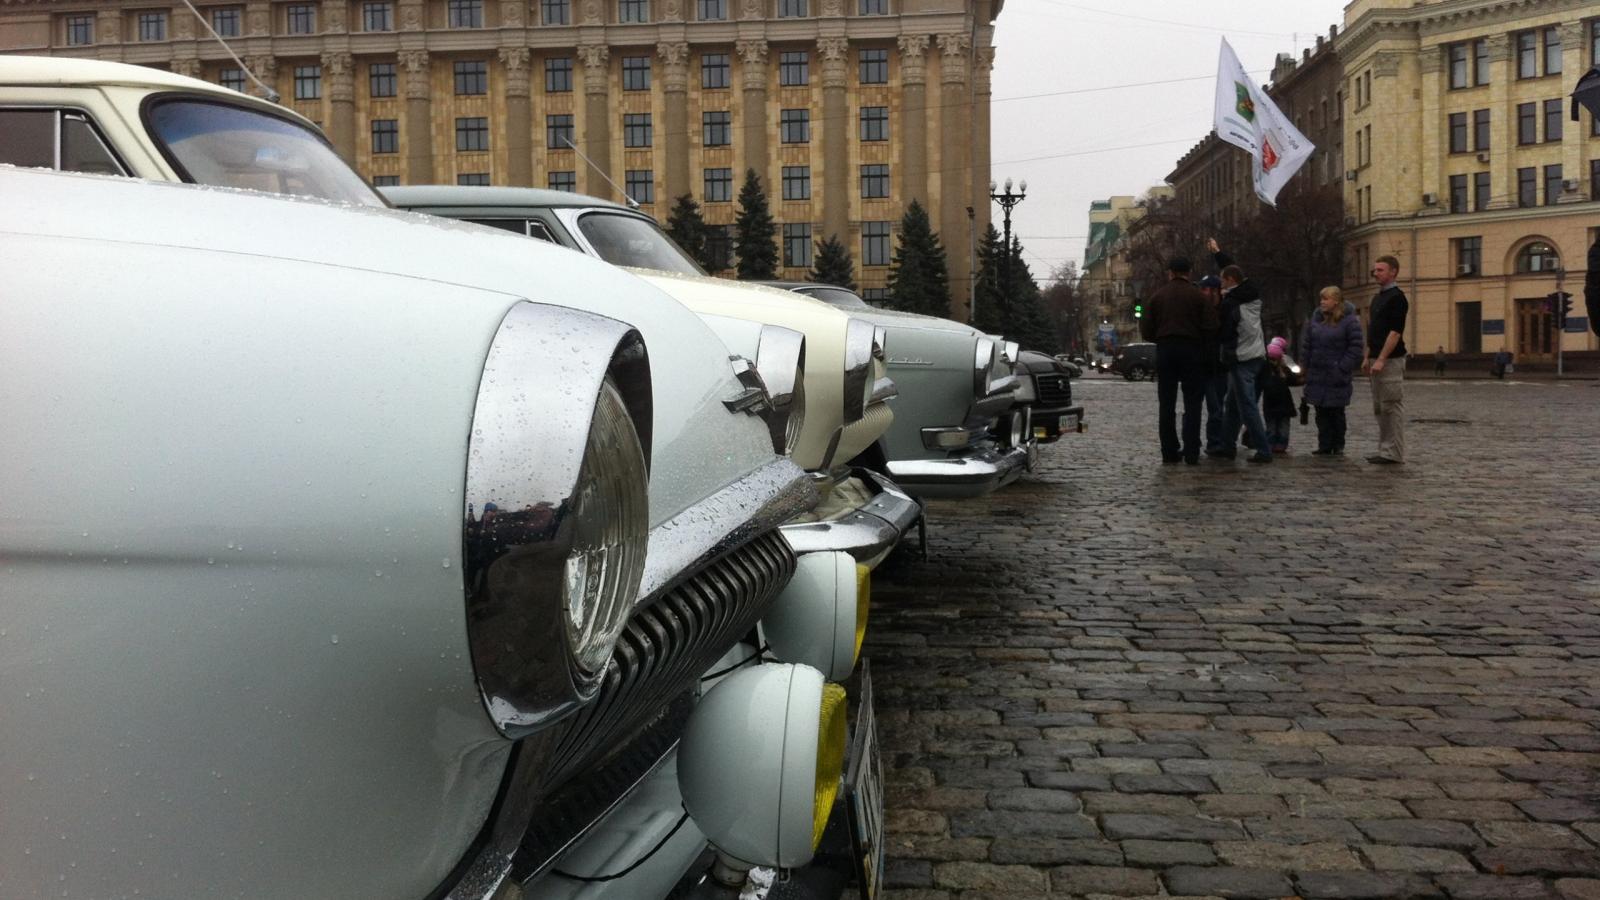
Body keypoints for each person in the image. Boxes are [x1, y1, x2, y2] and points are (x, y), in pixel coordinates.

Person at [1140, 256, 1217, 465]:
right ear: (1189, 273)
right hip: (1192, 350)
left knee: (1166, 403)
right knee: (1193, 403)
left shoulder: (1157, 297)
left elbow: (1146, 329)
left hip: (1166, 350)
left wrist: (1161, 337)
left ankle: (1169, 451)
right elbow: (1211, 327)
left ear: (1170, 273)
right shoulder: (1199, 297)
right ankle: (1191, 452)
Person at [1212, 263, 1273, 463]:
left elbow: (1225, 332)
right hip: (1256, 353)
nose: (1221, 283)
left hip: (1241, 356)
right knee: (1232, 404)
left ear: (1230, 280)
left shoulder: (1231, 304)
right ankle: (1227, 445)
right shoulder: (1252, 297)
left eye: (1223, 279)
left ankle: (1263, 449)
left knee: (1247, 406)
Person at [1298, 286, 1364, 456]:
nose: (1322, 302)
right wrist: (1304, 367)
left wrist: (1342, 367)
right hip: (1317, 374)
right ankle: (1324, 444)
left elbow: (1355, 348)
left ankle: (1338, 444)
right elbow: (1307, 346)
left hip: (1337, 375)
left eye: (1326, 299)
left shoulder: (1349, 321)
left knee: (1336, 412)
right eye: (1321, 299)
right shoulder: (1316, 320)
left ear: (1336, 301)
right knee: (1321, 412)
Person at [1363, 255, 1409, 465]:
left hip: (1391, 360)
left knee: (1391, 406)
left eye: (1380, 270)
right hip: (1375, 358)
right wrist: (1367, 356)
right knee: (1379, 407)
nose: (1376, 273)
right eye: (1375, 270)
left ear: (1393, 272)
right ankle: (1384, 450)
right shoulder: (1377, 298)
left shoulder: (1397, 298)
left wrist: (1382, 358)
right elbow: (1373, 331)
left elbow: (1395, 333)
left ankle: (1394, 453)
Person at [1195, 274, 1230, 454]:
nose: (1202, 292)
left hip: (1218, 366)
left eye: (1204, 289)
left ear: (1214, 291)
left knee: (1216, 408)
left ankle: (1215, 442)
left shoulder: (1225, 311)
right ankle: (1195, 443)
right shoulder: (1198, 310)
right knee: (1195, 407)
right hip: (1202, 364)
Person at [1259, 342, 1296, 454]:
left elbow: (1293, 380)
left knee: (1283, 427)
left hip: (1284, 405)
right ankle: (1270, 444)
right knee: (1271, 427)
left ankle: (1281, 444)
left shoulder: (1284, 370)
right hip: (1271, 405)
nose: (1273, 362)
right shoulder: (1265, 371)